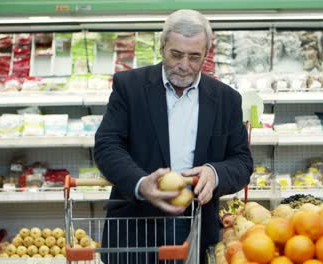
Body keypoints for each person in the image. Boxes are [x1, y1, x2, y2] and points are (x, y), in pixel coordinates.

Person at [94, 9, 253, 264]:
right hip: (134, 227)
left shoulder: (227, 99)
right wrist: (140, 183)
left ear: (206, 55)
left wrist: (215, 173)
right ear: (162, 46)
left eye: (194, 57)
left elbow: (242, 162)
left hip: (197, 227)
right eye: (176, 54)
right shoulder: (129, 86)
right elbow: (107, 146)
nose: (184, 65)